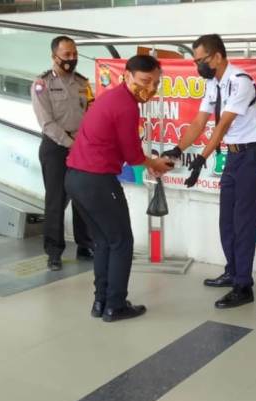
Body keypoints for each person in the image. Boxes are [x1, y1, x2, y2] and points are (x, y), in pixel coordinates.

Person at [162, 34, 256, 309]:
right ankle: (233, 271)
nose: (198, 65)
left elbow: (222, 125)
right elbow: (199, 122)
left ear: (218, 56)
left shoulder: (241, 82)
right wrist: (177, 149)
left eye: (201, 60)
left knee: (244, 222)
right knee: (227, 220)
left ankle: (244, 286)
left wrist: (201, 158)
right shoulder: (214, 84)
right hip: (234, 158)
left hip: (252, 156)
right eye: (196, 60)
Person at [65, 55, 173, 323]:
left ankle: (101, 301)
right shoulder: (126, 105)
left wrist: (148, 162)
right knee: (122, 241)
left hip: (76, 178)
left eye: (156, 83)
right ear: (127, 76)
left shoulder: (111, 98)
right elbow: (133, 154)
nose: (150, 88)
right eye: (145, 81)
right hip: (97, 181)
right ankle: (115, 305)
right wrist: (153, 163)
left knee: (103, 241)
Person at [31, 36, 95, 272]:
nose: (71, 59)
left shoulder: (82, 83)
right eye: (66, 55)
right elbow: (46, 123)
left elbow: (90, 112)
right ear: (54, 56)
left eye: (74, 54)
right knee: (56, 200)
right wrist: (70, 143)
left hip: (81, 145)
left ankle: (85, 245)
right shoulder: (42, 84)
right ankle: (54, 252)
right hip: (56, 147)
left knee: (82, 198)